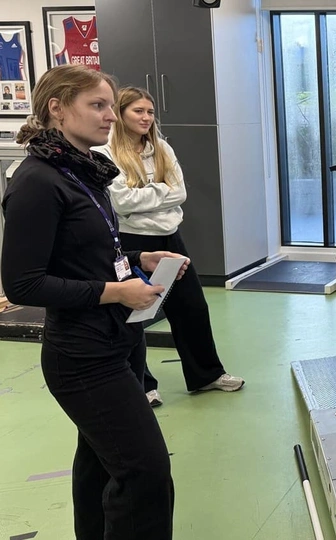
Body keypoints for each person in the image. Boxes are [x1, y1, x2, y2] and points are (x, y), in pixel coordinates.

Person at [0, 65, 186, 539]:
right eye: (97, 106)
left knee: (100, 469)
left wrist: (140, 256)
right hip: (82, 356)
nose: (110, 116)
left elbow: (87, 249)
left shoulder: (83, 170)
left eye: (110, 105)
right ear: (57, 109)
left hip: (118, 341)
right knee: (145, 474)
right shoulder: (37, 181)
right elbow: (23, 284)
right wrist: (115, 291)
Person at [95, 87, 243, 407]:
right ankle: (142, 385)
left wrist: (146, 197)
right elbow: (121, 202)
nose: (146, 117)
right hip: (133, 241)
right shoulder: (106, 153)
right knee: (136, 315)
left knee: (191, 307)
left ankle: (206, 375)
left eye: (150, 112)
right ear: (120, 114)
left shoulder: (161, 148)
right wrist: (160, 193)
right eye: (138, 111)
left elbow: (180, 193)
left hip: (170, 238)